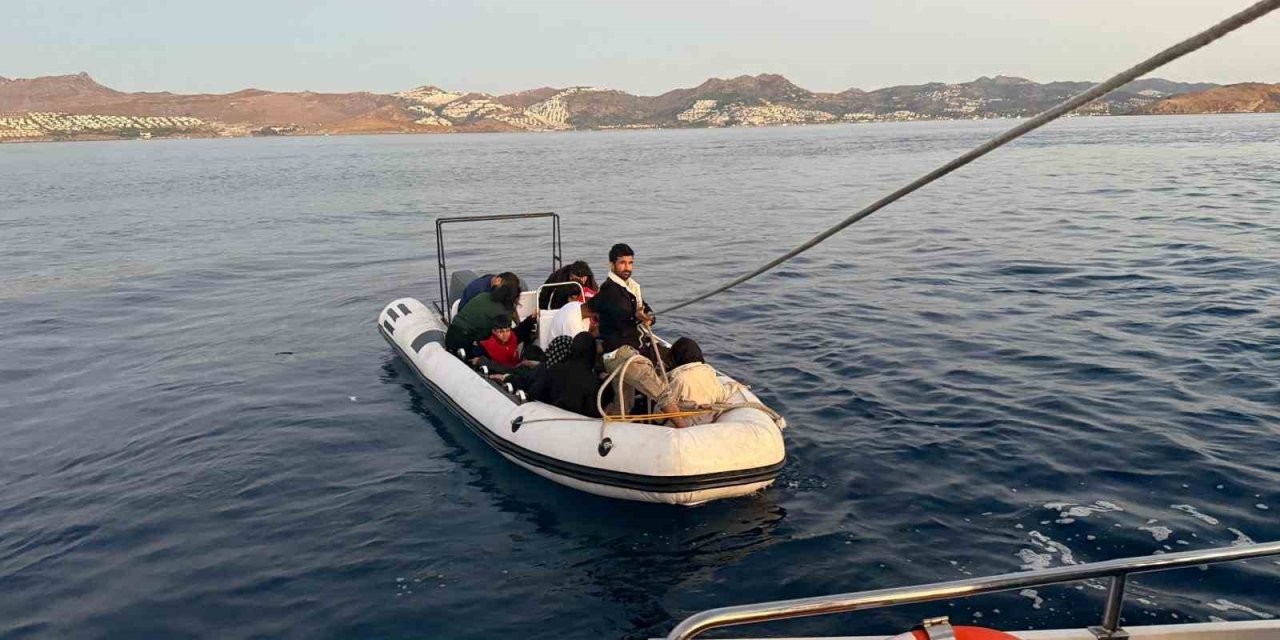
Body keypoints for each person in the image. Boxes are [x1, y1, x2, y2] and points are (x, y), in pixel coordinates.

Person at [586, 243, 687, 428]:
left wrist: (648, 317)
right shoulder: (609, 291)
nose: (627, 268)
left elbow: (646, 309)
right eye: (622, 263)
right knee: (661, 392)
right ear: (612, 265)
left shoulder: (631, 288)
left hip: (630, 351)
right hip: (621, 354)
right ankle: (685, 429)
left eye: (630, 263)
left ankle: (604, 430)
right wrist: (636, 315)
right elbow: (617, 311)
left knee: (625, 405)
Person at [530, 332, 602, 417]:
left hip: (545, 421)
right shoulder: (593, 382)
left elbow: (534, 395)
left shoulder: (554, 369)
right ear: (592, 353)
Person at [445, 278, 521, 357]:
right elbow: (506, 337)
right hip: (465, 343)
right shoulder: (503, 312)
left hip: (451, 334)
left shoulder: (484, 295)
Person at [667, 337, 729, 426]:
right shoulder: (709, 371)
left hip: (686, 425)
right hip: (709, 420)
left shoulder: (679, 378)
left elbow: (662, 409)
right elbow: (721, 395)